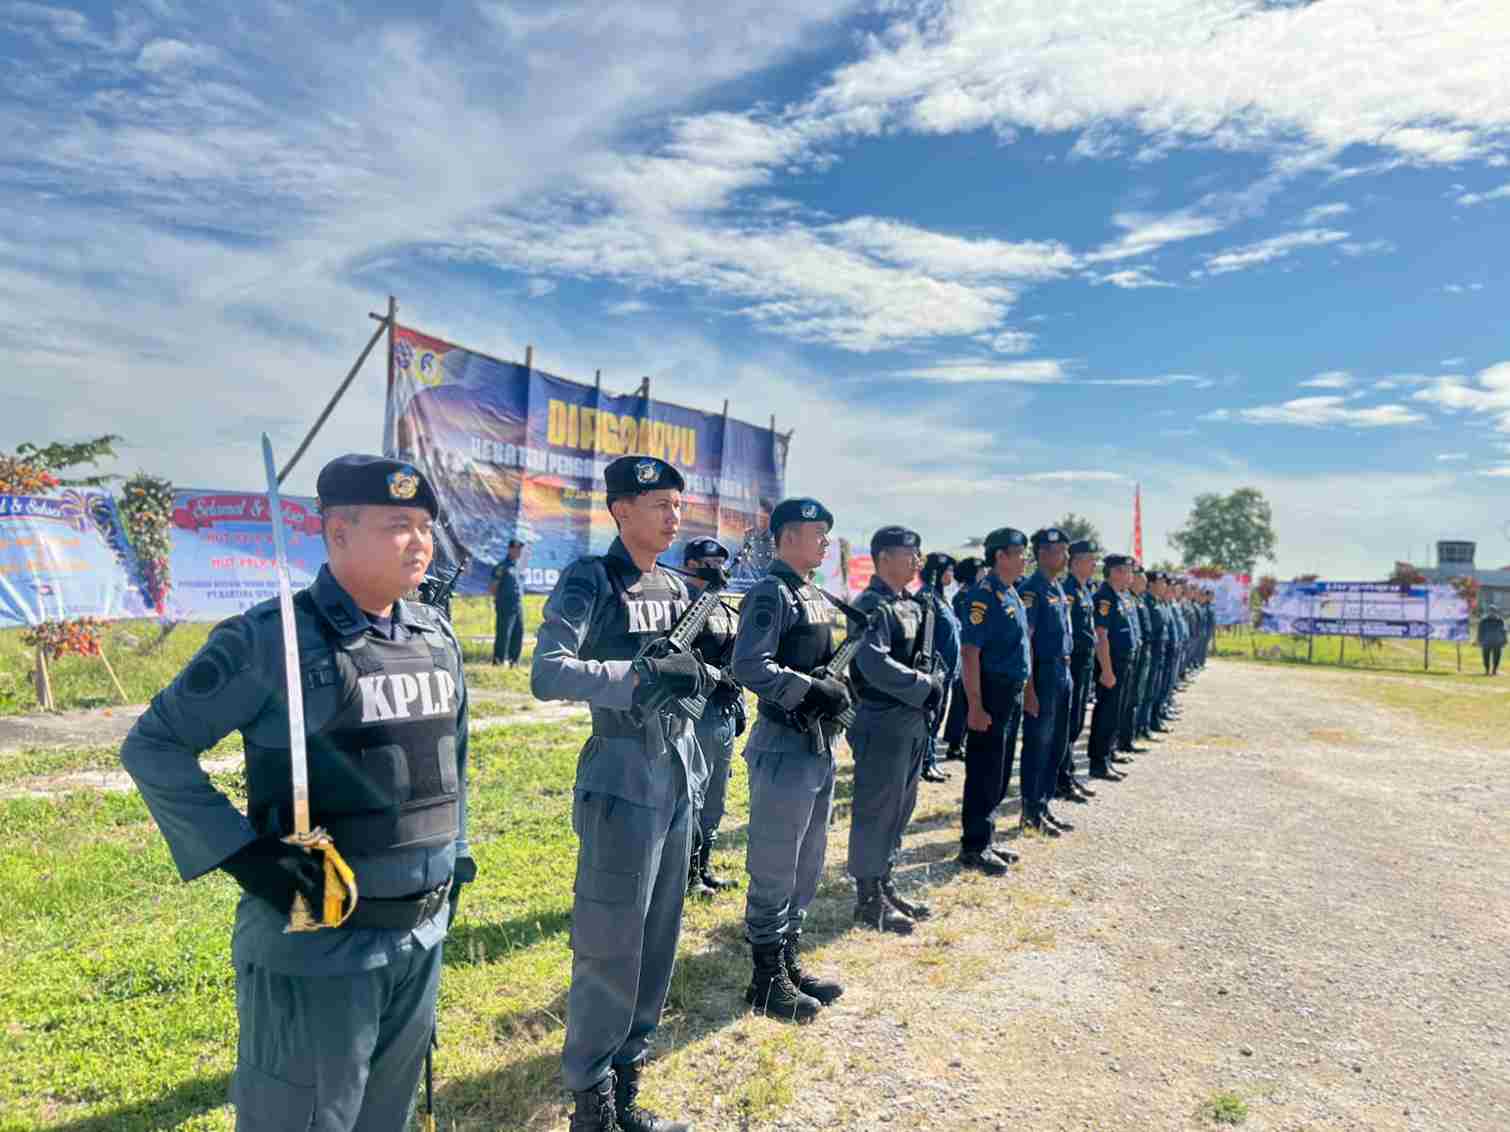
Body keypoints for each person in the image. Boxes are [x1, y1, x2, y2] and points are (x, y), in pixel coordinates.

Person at [120, 455, 473, 1132]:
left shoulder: (436, 637)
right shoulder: (269, 638)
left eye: (426, 525)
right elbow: (153, 746)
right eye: (399, 524)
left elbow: (451, 763)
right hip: (320, 949)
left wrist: (455, 862)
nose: (421, 541)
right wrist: (247, 857)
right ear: (337, 534)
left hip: (420, 937)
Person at [531, 454, 710, 1132]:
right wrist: (633, 677)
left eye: (676, 504)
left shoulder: (674, 583)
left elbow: (694, 663)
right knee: (610, 943)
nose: (673, 516)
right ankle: (590, 1101)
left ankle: (628, 1080)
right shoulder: (592, 579)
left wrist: (704, 677)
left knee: (658, 936)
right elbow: (548, 673)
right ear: (621, 509)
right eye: (660, 504)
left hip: (677, 771)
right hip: (621, 772)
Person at [732, 497, 847, 1023]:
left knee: (807, 860)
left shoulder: (815, 595)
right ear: (787, 537)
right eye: (816, 531)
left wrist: (836, 687)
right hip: (783, 745)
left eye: (826, 532)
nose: (824, 540)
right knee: (775, 863)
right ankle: (764, 979)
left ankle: (787, 961)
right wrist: (807, 689)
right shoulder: (770, 592)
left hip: (817, 745)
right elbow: (749, 665)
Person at [846, 527, 945, 936]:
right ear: (884, 558)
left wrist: (934, 677)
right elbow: (873, 663)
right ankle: (868, 899)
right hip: (883, 718)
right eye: (910, 553)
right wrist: (925, 686)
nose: (917, 560)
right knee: (877, 809)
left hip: (911, 720)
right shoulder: (871, 606)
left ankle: (885, 883)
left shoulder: (913, 604)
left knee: (901, 807)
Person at [956, 527, 1031, 875]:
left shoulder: (1010, 592)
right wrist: (975, 704)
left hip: (1010, 690)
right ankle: (974, 845)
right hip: (990, 690)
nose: (1024, 559)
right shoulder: (983, 595)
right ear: (1001, 555)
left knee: (999, 770)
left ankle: (987, 837)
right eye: (1020, 553)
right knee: (985, 769)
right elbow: (970, 653)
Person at [683, 537, 745, 897]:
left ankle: (702, 868)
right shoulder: (686, 604)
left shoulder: (723, 607)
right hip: (698, 713)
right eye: (709, 561)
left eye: (722, 561)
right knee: (694, 796)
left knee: (716, 800)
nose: (719, 567)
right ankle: (686, 876)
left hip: (723, 713)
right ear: (691, 565)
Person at [1016, 527, 1076, 836]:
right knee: (1038, 742)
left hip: (1063, 672)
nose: (1066, 557)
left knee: (1057, 743)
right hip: (1042, 674)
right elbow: (1026, 641)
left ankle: (1044, 804)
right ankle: (1031, 809)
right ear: (1043, 553)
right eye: (1061, 551)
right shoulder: (1032, 589)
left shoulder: (1058, 587)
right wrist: (1029, 689)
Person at [1088, 555, 1136, 781]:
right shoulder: (1105, 598)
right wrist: (1106, 670)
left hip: (1121, 662)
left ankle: (1107, 755)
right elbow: (1101, 636)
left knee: (1115, 711)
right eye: (1127, 571)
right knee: (1106, 713)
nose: (1131, 576)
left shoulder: (1119, 596)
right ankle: (1098, 762)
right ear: (1115, 572)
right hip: (1111, 663)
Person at [1058, 539, 1099, 805]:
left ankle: (1067, 773)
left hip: (1084, 664)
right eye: (1090, 559)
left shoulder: (1084, 590)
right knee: (1067, 725)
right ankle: (1061, 779)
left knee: (1075, 723)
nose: (1095, 564)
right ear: (1076, 562)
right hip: (1071, 664)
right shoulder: (1069, 590)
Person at [919, 551, 959, 784]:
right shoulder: (927, 598)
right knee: (930, 717)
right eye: (948, 570)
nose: (952, 575)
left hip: (947, 671)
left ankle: (931, 760)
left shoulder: (941, 598)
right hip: (934, 671)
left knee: (937, 718)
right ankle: (925, 762)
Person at [943, 556, 982, 760]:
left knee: (964, 700)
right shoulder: (966, 596)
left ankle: (958, 741)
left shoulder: (967, 595)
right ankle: (955, 743)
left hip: (968, 653)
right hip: (965, 654)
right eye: (980, 571)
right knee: (962, 701)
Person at [1118, 567, 1151, 759]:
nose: (1144, 584)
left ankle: (1127, 739)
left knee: (1134, 698)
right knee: (1126, 701)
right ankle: (1122, 741)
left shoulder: (1133, 599)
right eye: (1141, 580)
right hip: (1123, 657)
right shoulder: (1124, 598)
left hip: (1137, 653)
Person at [1137, 571, 1168, 741]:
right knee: (1145, 691)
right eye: (1161, 582)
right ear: (1152, 584)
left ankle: (1146, 724)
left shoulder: (1156, 602)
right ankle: (1140, 726)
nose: (1164, 586)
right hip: (1150, 651)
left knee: (1152, 690)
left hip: (1158, 651)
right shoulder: (1146, 602)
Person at [489, 537, 526, 666]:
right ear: (510, 549)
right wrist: (499, 600)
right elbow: (494, 586)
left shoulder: (517, 567)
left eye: (520, 550)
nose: (519, 552)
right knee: (503, 634)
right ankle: (498, 661)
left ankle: (513, 661)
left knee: (518, 633)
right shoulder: (502, 566)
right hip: (505, 605)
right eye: (516, 549)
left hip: (518, 606)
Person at [1479, 605, 1506, 676]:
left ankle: (1494, 670)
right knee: (1485, 657)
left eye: (1493, 611)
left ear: (1496, 612)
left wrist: (1505, 641)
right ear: (1488, 612)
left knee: (1497, 657)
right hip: (1486, 642)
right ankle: (1487, 670)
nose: (1492, 613)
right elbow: (1480, 631)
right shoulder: (1483, 621)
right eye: (1490, 611)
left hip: (1497, 642)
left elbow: (1503, 631)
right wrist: (1480, 640)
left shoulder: (1500, 620)